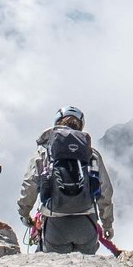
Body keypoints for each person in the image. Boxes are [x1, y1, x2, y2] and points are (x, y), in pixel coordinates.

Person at [18, 106, 117, 254]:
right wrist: (107, 225)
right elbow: (105, 191)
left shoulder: (43, 152)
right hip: (87, 222)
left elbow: (30, 184)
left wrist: (24, 213)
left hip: (54, 222)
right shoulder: (91, 154)